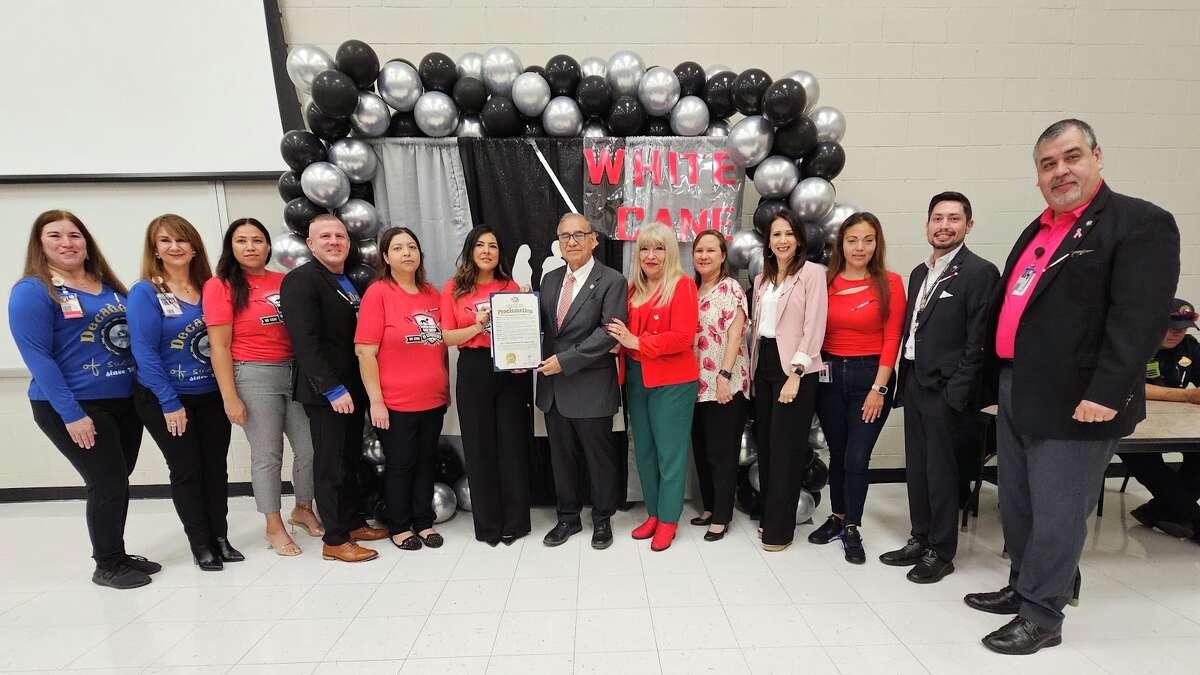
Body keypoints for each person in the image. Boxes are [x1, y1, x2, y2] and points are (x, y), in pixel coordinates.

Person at [966, 119, 1180, 655]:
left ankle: (1043, 615)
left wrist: (1107, 392)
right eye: (1047, 164)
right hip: (1019, 388)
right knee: (1018, 502)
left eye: (1071, 157)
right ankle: (1023, 585)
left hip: (1080, 399)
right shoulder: (1039, 229)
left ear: (1097, 157)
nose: (1060, 171)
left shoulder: (1138, 223)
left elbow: (1139, 319)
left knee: (1059, 509)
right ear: (1037, 176)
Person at [10, 210, 160, 589]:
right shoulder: (33, 290)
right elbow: (38, 357)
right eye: (55, 236)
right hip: (73, 405)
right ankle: (106, 564)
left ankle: (118, 552)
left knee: (117, 479)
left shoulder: (108, 287)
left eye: (74, 235)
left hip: (123, 402)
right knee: (106, 480)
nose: (67, 243)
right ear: (39, 244)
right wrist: (71, 414)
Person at [882, 193, 998, 582]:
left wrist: (957, 394)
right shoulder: (919, 273)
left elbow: (979, 340)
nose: (944, 225)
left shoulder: (979, 272)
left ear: (969, 225)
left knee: (944, 472)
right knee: (917, 466)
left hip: (948, 389)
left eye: (953, 218)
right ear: (927, 224)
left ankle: (941, 550)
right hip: (915, 380)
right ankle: (920, 536)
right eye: (937, 218)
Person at [128, 214, 240, 571]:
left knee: (215, 468)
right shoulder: (146, 292)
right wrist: (169, 402)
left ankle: (220, 537)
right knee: (187, 469)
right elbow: (143, 351)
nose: (175, 247)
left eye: (182, 240)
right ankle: (200, 543)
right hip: (167, 398)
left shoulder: (211, 287)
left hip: (210, 393)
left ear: (194, 248)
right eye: (165, 241)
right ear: (155, 250)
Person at [204, 219, 320, 557]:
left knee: (310, 449)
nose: (251, 247)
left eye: (258, 240)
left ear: (269, 247)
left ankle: (303, 508)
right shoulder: (220, 286)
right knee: (268, 455)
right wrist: (230, 397)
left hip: (294, 372)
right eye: (242, 241)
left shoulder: (283, 281)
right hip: (253, 375)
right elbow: (220, 346)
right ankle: (273, 525)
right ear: (232, 247)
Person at [281, 215, 389, 563]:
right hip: (328, 393)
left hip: (353, 386)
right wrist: (331, 389)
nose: (333, 241)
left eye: (340, 235)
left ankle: (352, 522)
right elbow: (305, 342)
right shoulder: (301, 281)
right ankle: (335, 539)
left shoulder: (347, 280)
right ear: (310, 244)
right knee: (330, 464)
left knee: (349, 460)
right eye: (324, 236)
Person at [811, 212, 905, 564]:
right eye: (852, 240)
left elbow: (893, 337)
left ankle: (852, 525)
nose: (860, 247)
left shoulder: (890, 282)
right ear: (841, 244)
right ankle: (837, 518)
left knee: (857, 456)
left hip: (871, 377)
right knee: (837, 453)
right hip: (830, 376)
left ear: (877, 243)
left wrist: (879, 389)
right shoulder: (826, 281)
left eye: (868, 240)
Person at [536, 213, 628, 550]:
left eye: (579, 235)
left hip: (591, 387)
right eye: (564, 236)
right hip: (553, 391)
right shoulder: (549, 279)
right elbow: (542, 328)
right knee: (562, 458)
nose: (571, 241)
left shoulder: (612, 280)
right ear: (558, 243)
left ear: (593, 240)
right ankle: (568, 518)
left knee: (598, 459)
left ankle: (602, 520)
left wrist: (565, 361)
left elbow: (609, 332)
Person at [606, 223, 699, 552]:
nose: (650, 255)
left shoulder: (683, 286)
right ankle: (655, 512)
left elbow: (683, 338)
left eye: (658, 248)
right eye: (644, 249)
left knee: (669, 454)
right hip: (636, 378)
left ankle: (670, 519)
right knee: (643, 451)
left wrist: (636, 341)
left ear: (670, 251)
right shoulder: (632, 290)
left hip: (672, 382)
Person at [356, 227, 450, 551]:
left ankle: (423, 522)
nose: (407, 253)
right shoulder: (378, 294)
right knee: (401, 464)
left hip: (433, 399)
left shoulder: (431, 293)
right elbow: (365, 352)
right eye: (398, 248)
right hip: (395, 402)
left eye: (412, 246)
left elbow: (444, 342)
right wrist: (376, 402)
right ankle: (399, 525)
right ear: (386, 257)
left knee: (426, 462)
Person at [439, 225, 531, 547]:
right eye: (480, 245)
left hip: (510, 368)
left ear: (499, 252)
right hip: (474, 367)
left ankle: (516, 522)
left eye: (493, 245)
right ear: (470, 250)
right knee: (479, 447)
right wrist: (476, 326)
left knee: (512, 445)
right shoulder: (454, 288)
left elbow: (524, 331)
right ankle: (488, 525)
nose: (487, 251)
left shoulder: (511, 286)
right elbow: (447, 337)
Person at [749, 209, 828, 552]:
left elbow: (814, 327)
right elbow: (759, 329)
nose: (782, 240)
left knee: (785, 449)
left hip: (795, 367)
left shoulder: (812, 274)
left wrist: (796, 373)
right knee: (766, 446)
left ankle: (780, 531)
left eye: (788, 234)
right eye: (776, 234)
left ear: (799, 239)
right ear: (769, 241)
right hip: (764, 363)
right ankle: (769, 518)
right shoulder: (762, 279)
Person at [688, 229, 750, 542]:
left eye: (711, 250)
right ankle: (710, 507)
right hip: (694, 386)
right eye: (699, 250)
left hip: (725, 384)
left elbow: (736, 335)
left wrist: (724, 376)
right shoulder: (692, 290)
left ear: (723, 256)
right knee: (701, 450)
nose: (704, 256)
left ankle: (722, 516)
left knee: (721, 453)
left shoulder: (731, 289)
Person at [1123, 299, 1200, 540]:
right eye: (1170, 326)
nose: (1177, 333)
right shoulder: (1130, 345)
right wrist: (1186, 395)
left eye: (1183, 327)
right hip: (1129, 422)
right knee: (1143, 458)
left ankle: (1158, 510)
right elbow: (1131, 387)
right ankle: (1195, 519)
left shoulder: (1189, 348)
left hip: (1172, 421)